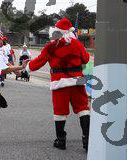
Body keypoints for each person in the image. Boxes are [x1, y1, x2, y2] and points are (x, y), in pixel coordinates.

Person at [25, 18, 91, 151]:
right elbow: (86, 59)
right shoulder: (77, 44)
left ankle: (61, 140)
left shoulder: (52, 46)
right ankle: (87, 140)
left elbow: (40, 61)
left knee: (60, 111)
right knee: (83, 108)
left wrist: (26, 68)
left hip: (60, 82)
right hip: (78, 81)